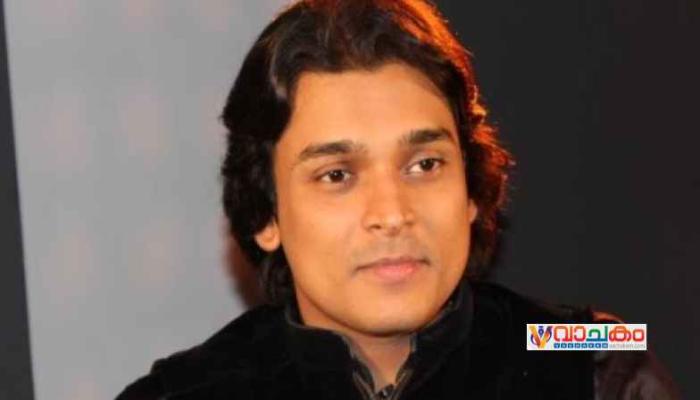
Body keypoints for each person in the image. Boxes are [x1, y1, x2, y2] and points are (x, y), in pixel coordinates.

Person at [117, 0, 679, 398]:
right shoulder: (179, 391)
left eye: (425, 165)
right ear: (267, 214)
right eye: (337, 175)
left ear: (471, 191)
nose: (391, 213)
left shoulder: (595, 358)